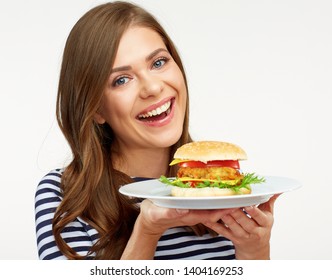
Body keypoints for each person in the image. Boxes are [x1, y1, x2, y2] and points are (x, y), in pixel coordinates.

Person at [35, 1, 278, 260]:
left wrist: (254, 249)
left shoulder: (223, 188)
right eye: (121, 80)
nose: (152, 87)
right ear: (96, 109)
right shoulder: (63, 196)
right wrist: (147, 232)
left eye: (159, 62)